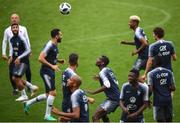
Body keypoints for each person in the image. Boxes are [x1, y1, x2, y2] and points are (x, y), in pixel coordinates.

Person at [23, 28, 62, 121]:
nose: (61, 36)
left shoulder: (55, 45)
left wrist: (59, 60)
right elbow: (40, 58)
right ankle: (47, 115)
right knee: (53, 93)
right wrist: (52, 66)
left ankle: (28, 103)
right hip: (46, 72)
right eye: (60, 35)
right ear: (56, 36)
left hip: (50, 72)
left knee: (48, 94)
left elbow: (50, 57)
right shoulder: (50, 45)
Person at [2, 13, 32, 95]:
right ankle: (15, 88)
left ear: (19, 19)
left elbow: (27, 39)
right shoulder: (7, 31)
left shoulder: (23, 29)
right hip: (12, 55)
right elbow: (4, 42)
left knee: (27, 70)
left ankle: (29, 86)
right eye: (12, 18)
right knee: (12, 73)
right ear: (10, 20)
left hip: (23, 53)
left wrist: (29, 50)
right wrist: (4, 53)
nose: (14, 19)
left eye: (16, 18)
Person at [8, 23, 38, 101]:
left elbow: (28, 50)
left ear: (18, 29)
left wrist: (19, 57)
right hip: (16, 61)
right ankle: (32, 87)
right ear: (11, 29)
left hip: (23, 61)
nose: (14, 29)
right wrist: (11, 57)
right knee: (17, 78)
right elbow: (14, 50)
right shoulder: (11, 39)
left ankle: (24, 95)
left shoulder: (22, 38)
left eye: (16, 27)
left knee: (15, 78)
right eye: (13, 28)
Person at [87, 55, 120, 122]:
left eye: (98, 59)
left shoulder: (102, 72)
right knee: (103, 115)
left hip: (113, 99)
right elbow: (116, 82)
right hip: (115, 97)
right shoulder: (108, 69)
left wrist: (93, 92)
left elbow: (107, 85)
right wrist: (99, 77)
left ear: (102, 63)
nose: (96, 59)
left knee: (95, 116)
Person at [147, 58, 176, 122]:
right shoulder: (169, 72)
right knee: (169, 120)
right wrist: (165, 87)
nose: (151, 64)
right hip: (168, 100)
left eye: (152, 62)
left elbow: (150, 90)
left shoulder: (151, 74)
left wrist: (147, 98)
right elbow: (173, 88)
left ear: (154, 63)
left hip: (158, 101)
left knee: (160, 120)